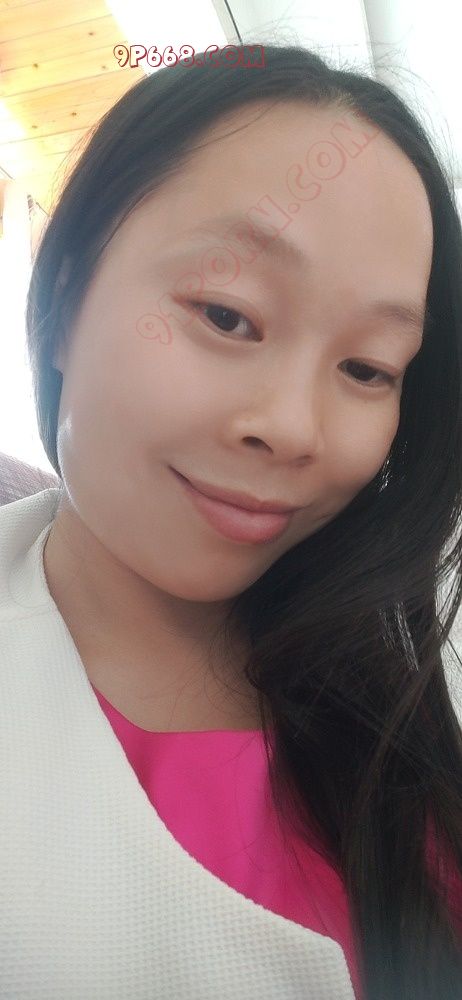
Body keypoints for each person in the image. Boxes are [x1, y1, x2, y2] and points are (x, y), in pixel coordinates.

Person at [1, 42, 461, 1000]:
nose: (292, 427)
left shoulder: (409, 681)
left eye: (368, 368)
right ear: (65, 285)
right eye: (225, 314)